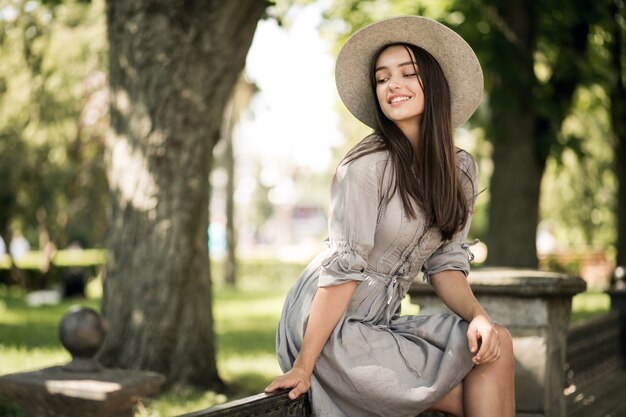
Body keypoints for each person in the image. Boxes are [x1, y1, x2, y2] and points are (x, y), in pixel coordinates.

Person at [264, 16, 515, 417]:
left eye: (407, 73)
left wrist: (479, 317)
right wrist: (303, 365)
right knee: (474, 396)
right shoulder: (367, 165)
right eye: (382, 79)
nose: (391, 86)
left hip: (380, 322)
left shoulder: (460, 171)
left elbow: (446, 266)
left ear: (434, 84)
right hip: (328, 326)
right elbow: (344, 272)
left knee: (493, 344)